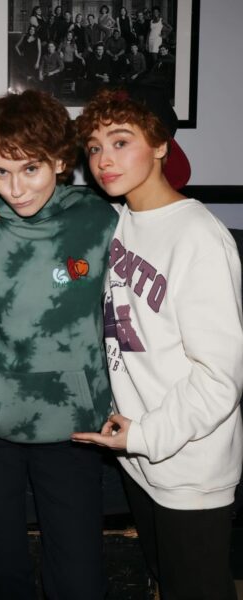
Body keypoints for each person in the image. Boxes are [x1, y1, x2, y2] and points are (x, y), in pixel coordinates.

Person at [73, 86, 243, 600]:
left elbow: (220, 378)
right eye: (95, 147)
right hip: (140, 457)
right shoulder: (123, 218)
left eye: (121, 141)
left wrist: (146, 435)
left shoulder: (198, 236)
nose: (103, 160)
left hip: (188, 467)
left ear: (162, 144)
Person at [0, 89, 118, 600]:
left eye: (30, 169)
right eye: (0, 172)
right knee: (4, 569)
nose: (15, 187)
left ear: (58, 160)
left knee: (79, 578)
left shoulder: (100, 220)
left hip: (75, 428)